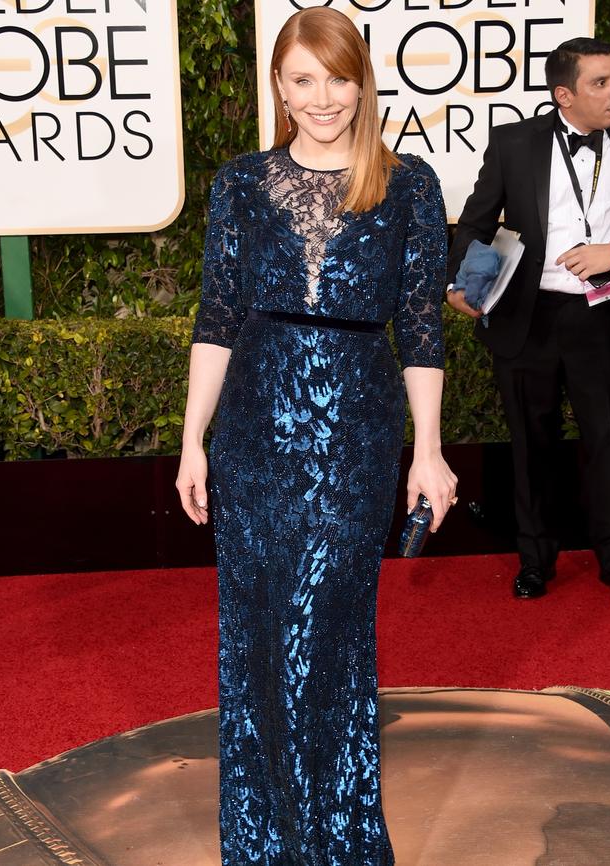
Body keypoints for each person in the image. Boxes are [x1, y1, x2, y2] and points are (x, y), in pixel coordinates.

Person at [175, 7, 457, 864]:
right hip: (254, 433)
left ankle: (334, 841)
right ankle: (267, 842)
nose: (323, 97)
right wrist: (193, 441)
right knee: (260, 633)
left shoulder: (408, 185)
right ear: (281, 88)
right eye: (303, 80)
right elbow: (217, 317)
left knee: (324, 632)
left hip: (355, 437)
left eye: (338, 77)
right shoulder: (241, 183)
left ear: (362, 81)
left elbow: (422, 330)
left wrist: (431, 450)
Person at [447, 37, 610, 604]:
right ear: (564, 94)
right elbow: (476, 222)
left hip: (598, 315)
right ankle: (535, 561)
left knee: (604, 441)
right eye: (600, 83)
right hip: (526, 318)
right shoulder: (514, 143)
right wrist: (464, 281)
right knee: (530, 444)